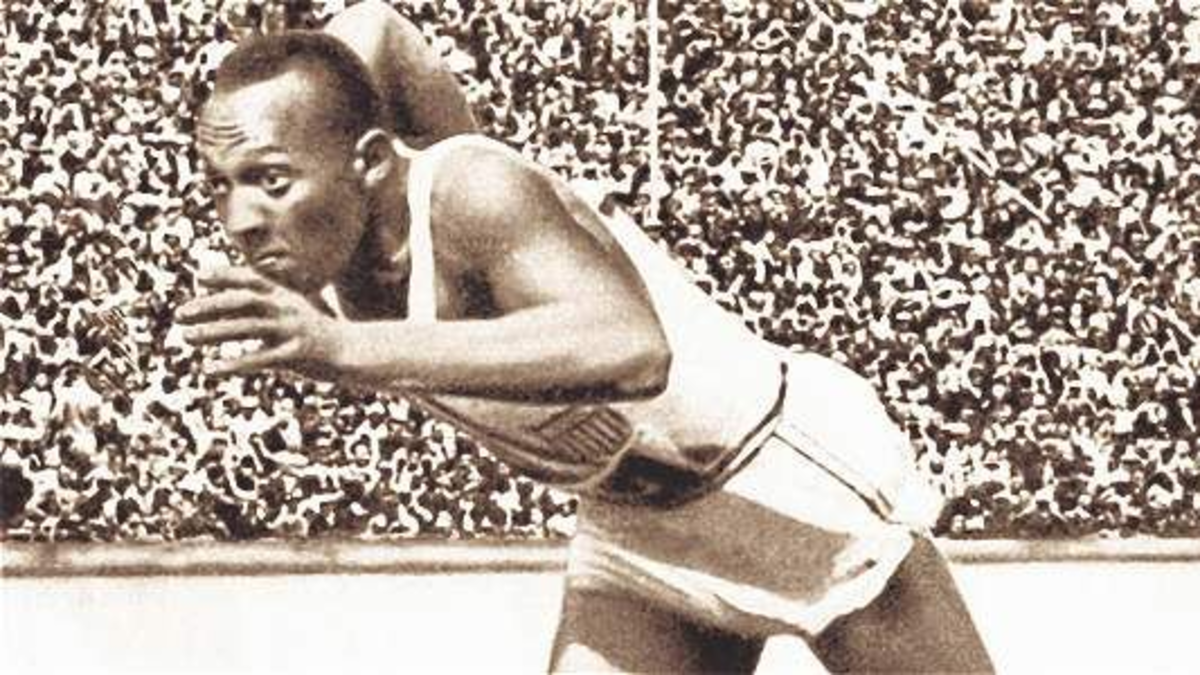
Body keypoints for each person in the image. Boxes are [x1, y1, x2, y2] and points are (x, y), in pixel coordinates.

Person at [177, 3, 994, 672]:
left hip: (779, 484)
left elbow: (631, 349)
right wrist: (300, 87)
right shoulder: (314, 241)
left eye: (271, 180)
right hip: (638, 533)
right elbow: (377, 30)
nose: (242, 218)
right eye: (222, 185)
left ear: (368, 159)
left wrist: (344, 348)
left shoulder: (474, 196)